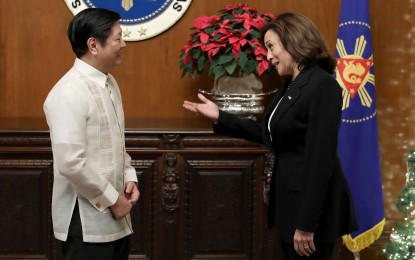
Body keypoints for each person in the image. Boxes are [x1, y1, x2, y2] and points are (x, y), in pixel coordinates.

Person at [183, 12, 357, 260]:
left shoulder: (322, 85)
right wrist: (220, 117)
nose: (268, 56)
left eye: (271, 46)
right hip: (291, 205)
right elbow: (271, 134)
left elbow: (321, 160)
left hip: (313, 215)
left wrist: (307, 224)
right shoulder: (292, 84)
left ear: (293, 41)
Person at [43, 8, 140, 260]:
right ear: (94, 45)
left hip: (118, 214)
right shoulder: (68, 92)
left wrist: (130, 176)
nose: (124, 44)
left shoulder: (109, 82)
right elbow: (70, 163)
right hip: (84, 222)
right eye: (118, 38)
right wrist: (114, 201)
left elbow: (116, 138)